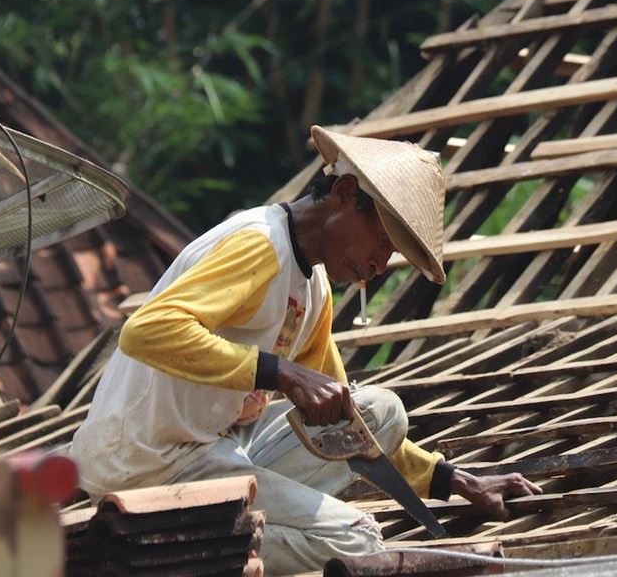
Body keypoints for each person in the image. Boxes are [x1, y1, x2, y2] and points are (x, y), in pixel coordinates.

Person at [69, 125, 541, 575]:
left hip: (216, 450)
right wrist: (282, 374)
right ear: (344, 195)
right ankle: (157, 553)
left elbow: (343, 420)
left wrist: (452, 480)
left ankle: (205, 527)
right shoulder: (260, 244)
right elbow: (146, 331)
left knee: (381, 412)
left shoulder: (314, 288)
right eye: (381, 242)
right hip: (146, 462)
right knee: (356, 541)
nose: (377, 267)